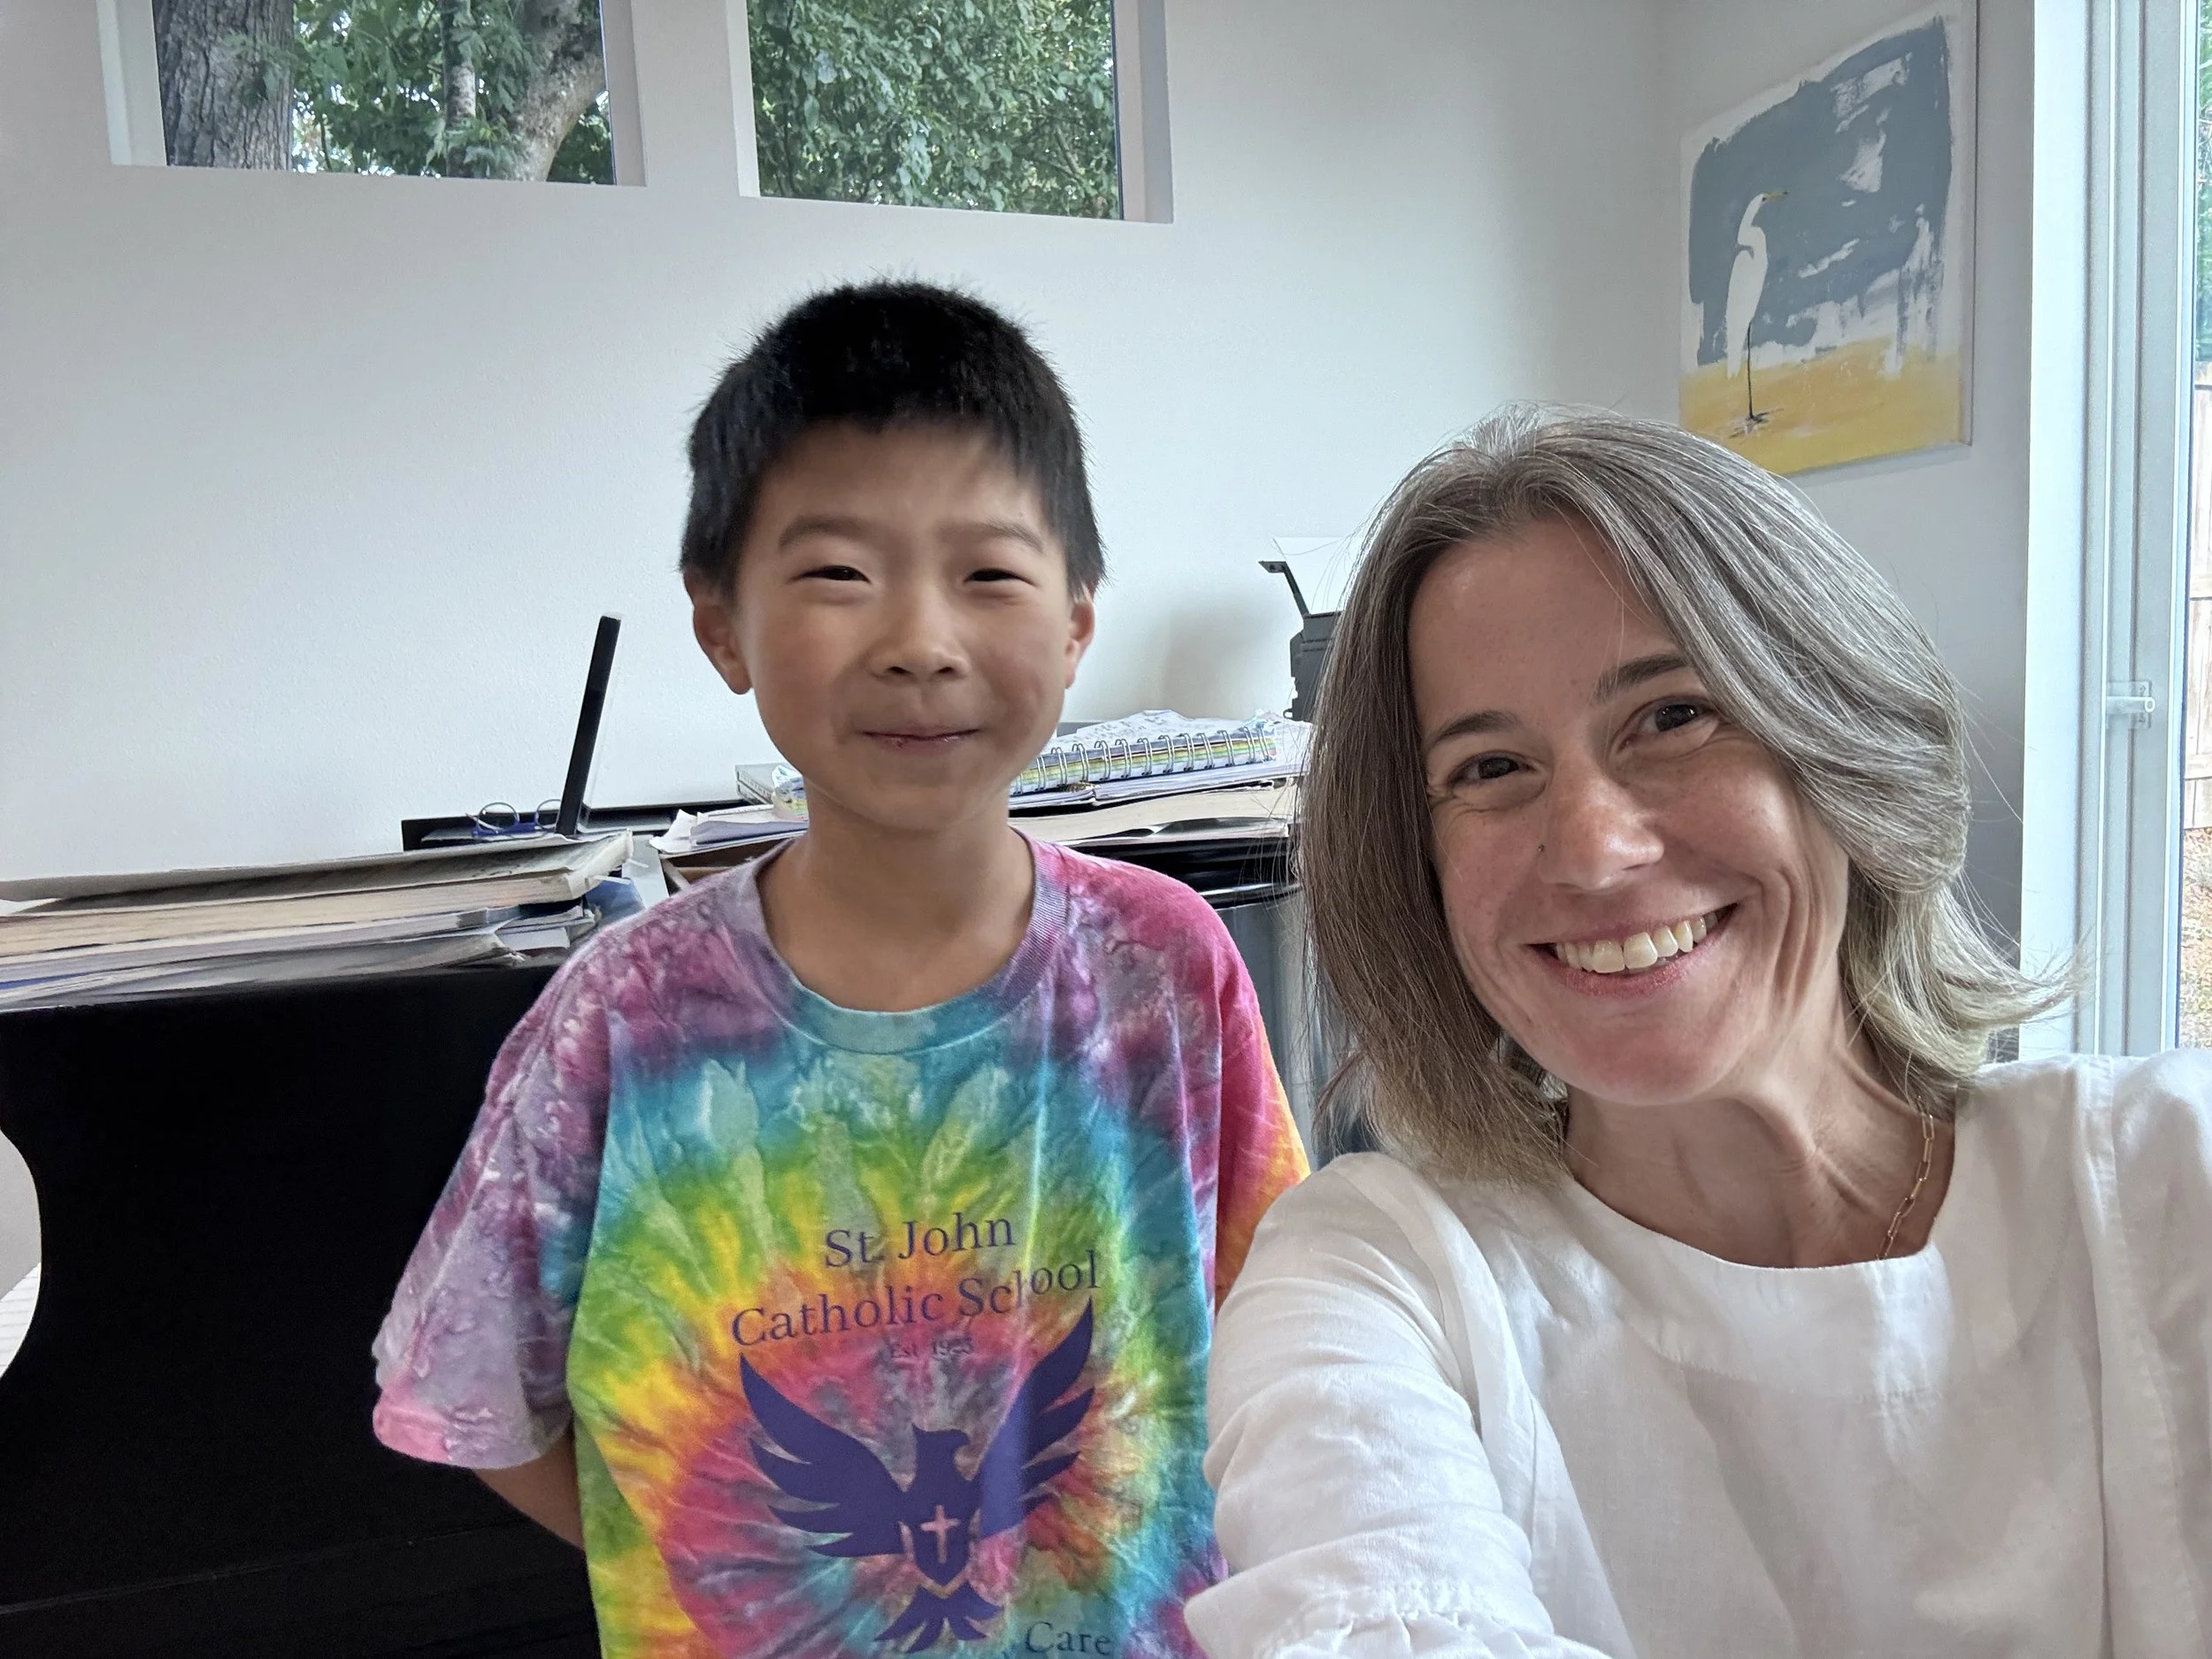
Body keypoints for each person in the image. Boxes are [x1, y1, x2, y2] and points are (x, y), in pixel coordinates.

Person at [372, 282, 1309, 1655]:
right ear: (722, 624)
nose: (920, 639)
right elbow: (474, 1395)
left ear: (1076, 622)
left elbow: (1287, 1329)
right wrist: (722, 1556)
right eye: (836, 574)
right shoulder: (625, 1020)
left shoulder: (1165, 964)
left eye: (989, 573)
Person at [1187, 407, 2212, 1658]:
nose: (1595, 848)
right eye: (1492, 769)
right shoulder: (1378, 1283)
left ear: (1838, 737)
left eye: (1672, 718)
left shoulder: (2171, 1177)